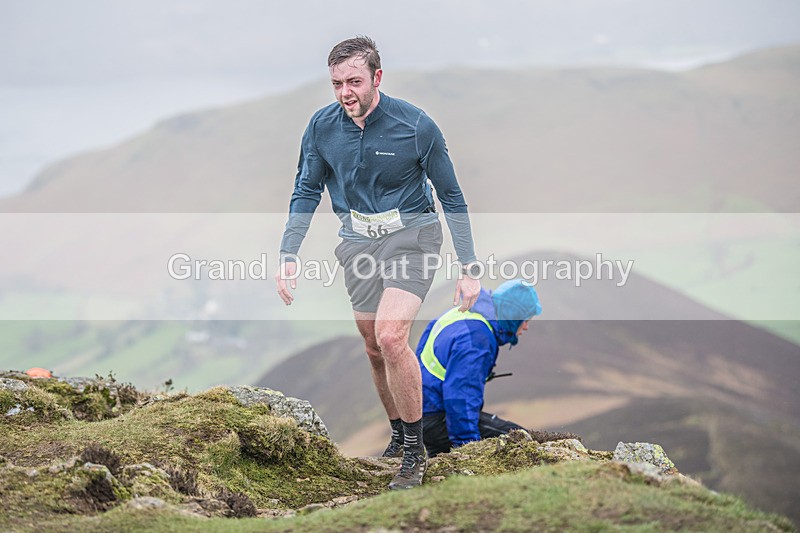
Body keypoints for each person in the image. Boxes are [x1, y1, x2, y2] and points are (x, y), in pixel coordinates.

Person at [274, 36, 481, 490]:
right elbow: (306, 190)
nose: (345, 92)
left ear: (377, 78)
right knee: (372, 345)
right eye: (336, 83)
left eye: (354, 81)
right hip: (357, 245)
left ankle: (415, 450)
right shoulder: (321, 127)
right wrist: (289, 252)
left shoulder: (416, 126)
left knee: (391, 335)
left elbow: (451, 196)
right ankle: (397, 434)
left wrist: (468, 266)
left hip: (413, 239)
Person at [415, 279, 542, 457]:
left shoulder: (460, 315)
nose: (526, 327)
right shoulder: (477, 339)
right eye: (526, 320)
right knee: (522, 439)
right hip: (439, 418)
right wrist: (469, 450)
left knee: (440, 459)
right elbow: (460, 397)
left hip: (418, 416)